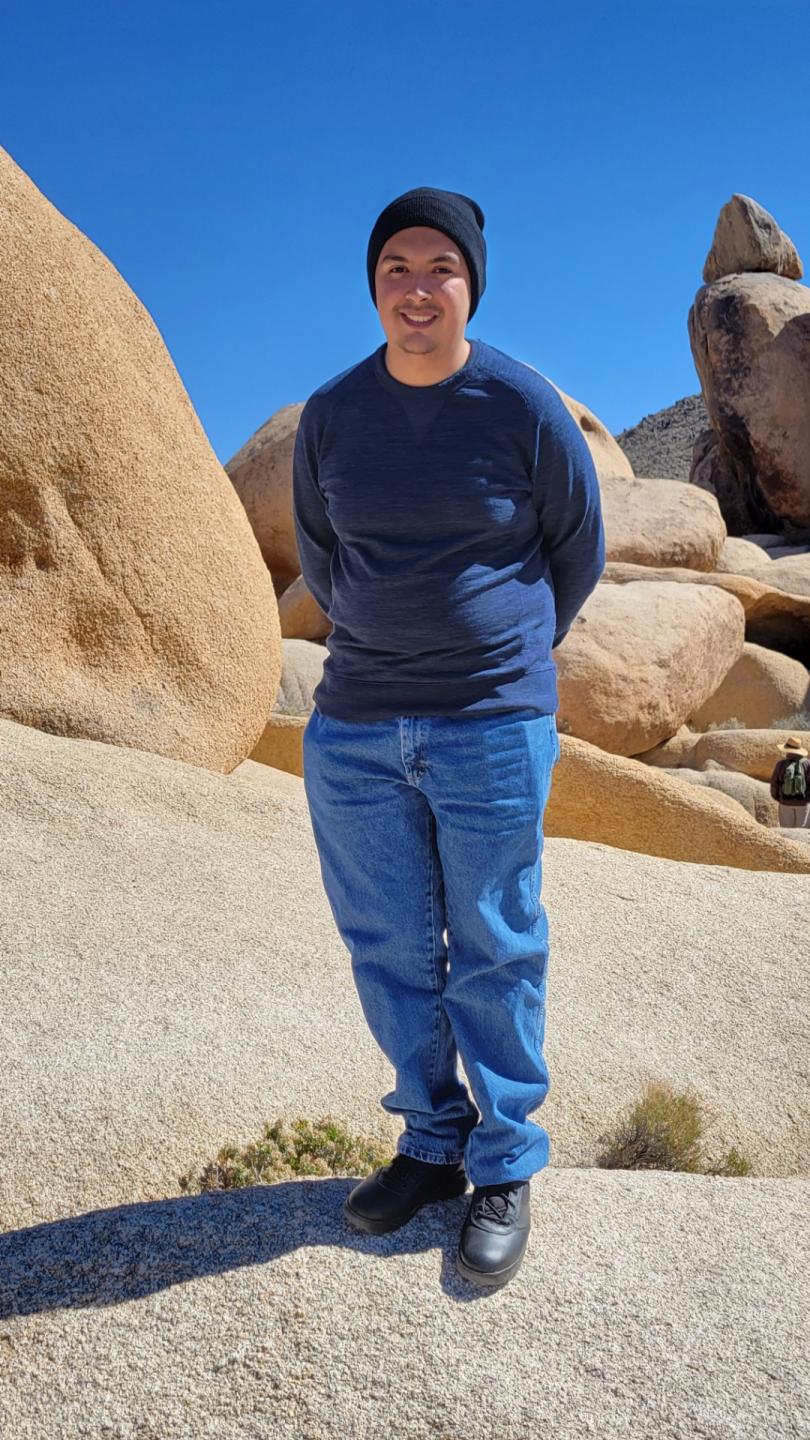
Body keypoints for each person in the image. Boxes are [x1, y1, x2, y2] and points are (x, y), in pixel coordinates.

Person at [293, 186, 605, 1288]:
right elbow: (325, 561)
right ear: (373, 286)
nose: (417, 288)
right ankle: (431, 1142)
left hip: (490, 720)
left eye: (440, 267)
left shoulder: (521, 405)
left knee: (495, 942)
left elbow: (576, 549)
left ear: (471, 284)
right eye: (396, 268)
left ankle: (506, 1160)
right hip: (357, 725)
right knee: (387, 945)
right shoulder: (332, 415)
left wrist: (497, 651)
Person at [769, 736, 810, 828]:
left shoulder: (781, 764)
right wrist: (807, 800)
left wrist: (779, 798)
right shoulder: (808, 764)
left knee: (787, 832)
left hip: (785, 802)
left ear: (787, 750)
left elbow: (774, 784)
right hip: (803, 803)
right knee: (802, 832)